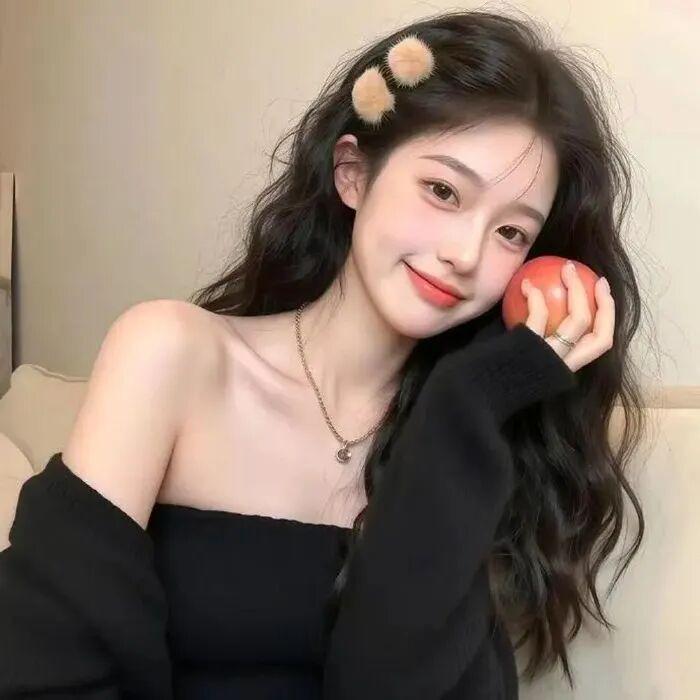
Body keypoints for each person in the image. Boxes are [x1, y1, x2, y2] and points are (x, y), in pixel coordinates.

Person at [0, 9, 656, 699]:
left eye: (512, 233)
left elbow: (390, 686)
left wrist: (467, 403)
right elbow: (42, 667)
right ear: (352, 174)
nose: (466, 254)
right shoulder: (171, 354)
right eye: (443, 191)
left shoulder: (472, 439)